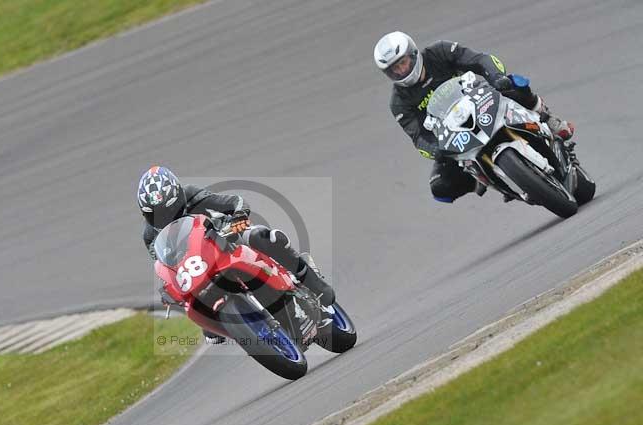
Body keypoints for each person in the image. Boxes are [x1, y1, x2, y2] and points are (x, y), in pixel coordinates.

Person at [137, 166, 335, 343]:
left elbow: (234, 202)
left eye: (169, 209)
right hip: (197, 267)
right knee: (187, 300)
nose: (164, 217)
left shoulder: (192, 195)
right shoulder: (150, 235)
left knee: (264, 237)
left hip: (226, 238)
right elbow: (164, 266)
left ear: (179, 195)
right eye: (154, 214)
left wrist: (238, 216)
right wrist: (169, 288)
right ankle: (224, 325)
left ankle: (312, 281)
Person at [373, 31, 575, 203]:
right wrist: (435, 150)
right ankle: (483, 178)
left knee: (513, 83)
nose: (401, 70)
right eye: (394, 69)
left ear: (413, 54)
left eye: (403, 63)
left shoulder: (439, 51)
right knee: (439, 187)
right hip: (452, 136)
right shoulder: (398, 102)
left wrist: (497, 77)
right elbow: (418, 137)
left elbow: (480, 60)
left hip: (480, 101)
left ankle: (548, 119)